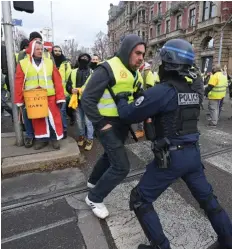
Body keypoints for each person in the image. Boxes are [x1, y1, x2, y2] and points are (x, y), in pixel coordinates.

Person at [114, 39, 232, 249]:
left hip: (171, 158)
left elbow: (127, 114)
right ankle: (227, 241)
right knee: (207, 200)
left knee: (140, 199)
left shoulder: (163, 91)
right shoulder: (193, 91)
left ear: (167, 64)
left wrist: (122, 98)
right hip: (193, 156)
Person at [81, 34, 145, 219]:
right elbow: (87, 99)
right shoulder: (107, 68)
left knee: (109, 156)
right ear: (127, 51)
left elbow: (138, 94)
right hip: (106, 124)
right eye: (137, 53)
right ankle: (94, 197)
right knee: (121, 166)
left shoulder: (135, 72)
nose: (141, 58)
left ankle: (93, 182)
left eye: (143, 54)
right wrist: (101, 124)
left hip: (122, 124)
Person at [14, 40, 65, 150]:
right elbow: (19, 82)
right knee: (38, 119)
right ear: (32, 49)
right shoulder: (23, 63)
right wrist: (19, 99)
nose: (40, 51)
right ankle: (42, 140)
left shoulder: (49, 62)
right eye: (37, 49)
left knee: (53, 118)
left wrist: (60, 97)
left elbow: (57, 80)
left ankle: (54, 138)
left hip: (49, 96)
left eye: (41, 49)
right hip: (33, 97)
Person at [66, 53, 94, 150]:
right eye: (82, 58)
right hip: (76, 101)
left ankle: (90, 139)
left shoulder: (92, 72)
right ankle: (81, 136)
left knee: (88, 122)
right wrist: (70, 90)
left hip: (88, 102)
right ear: (78, 60)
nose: (84, 60)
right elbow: (68, 85)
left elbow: (95, 86)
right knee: (79, 121)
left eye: (86, 58)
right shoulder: (73, 72)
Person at [52, 45, 72, 138]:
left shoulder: (65, 64)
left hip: (62, 93)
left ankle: (64, 130)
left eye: (59, 51)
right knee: (53, 112)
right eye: (55, 51)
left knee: (62, 112)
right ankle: (55, 130)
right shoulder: (49, 63)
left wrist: (68, 92)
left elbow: (69, 78)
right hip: (51, 92)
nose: (57, 52)